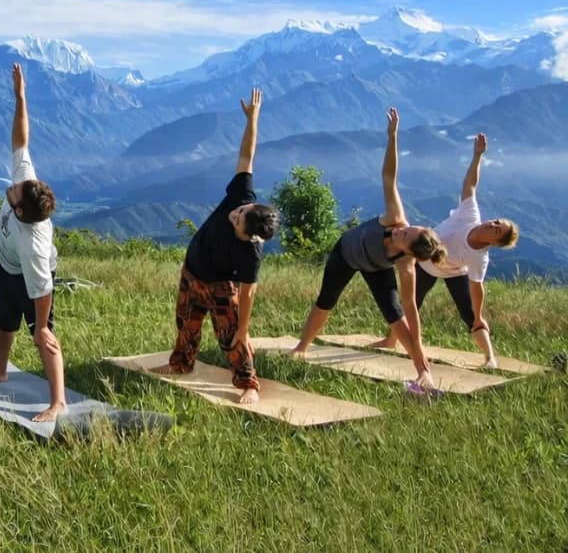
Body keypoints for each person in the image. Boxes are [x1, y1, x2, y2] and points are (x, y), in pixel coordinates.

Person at [291, 108, 447, 388]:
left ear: (408, 252)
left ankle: (422, 372)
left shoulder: (405, 265)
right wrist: (392, 137)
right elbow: (389, 177)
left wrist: (423, 366)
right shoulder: (394, 217)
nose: (402, 228)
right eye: (409, 227)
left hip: (376, 267)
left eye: (405, 235)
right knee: (325, 300)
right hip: (345, 254)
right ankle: (302, 346)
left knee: (395, 315)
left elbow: (411, 313)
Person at [165, 88, 280, 404]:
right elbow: (247, 156)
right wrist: (252, 119)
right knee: (186, 323)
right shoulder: (243, 196)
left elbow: (248, 294)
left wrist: (244, 328)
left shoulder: (249, 254)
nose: (235, 214)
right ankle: (181, 365)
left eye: (238, 220)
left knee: (232, 338)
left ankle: (248, 384)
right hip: (192, 272)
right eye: (241, 211)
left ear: (249, 236)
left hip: (220, 286)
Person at [0, 64, 65, 422]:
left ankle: (58, 402)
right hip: (5, 265)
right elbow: (20, 142)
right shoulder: (29, 189)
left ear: (21, 211)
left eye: (13, 191)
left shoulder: (34, 246)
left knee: (45, 338)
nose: (9, 187)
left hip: (31, 278)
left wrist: (40, 326)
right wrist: (21, 97)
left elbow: (43, 291)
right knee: (2, 320)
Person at [412, 133, 518, 368]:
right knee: (410, 302)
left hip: (453, 272)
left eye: (497, 231)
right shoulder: (470, 214)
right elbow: (470, 185)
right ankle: (392, 340)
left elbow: (476, 288)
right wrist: (477, 155)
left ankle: (490, 359)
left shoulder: (479, 257)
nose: (492, 225)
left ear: (496, 243)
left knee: (471, 316)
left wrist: (479, 315)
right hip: (426, 264)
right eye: (497, 222)